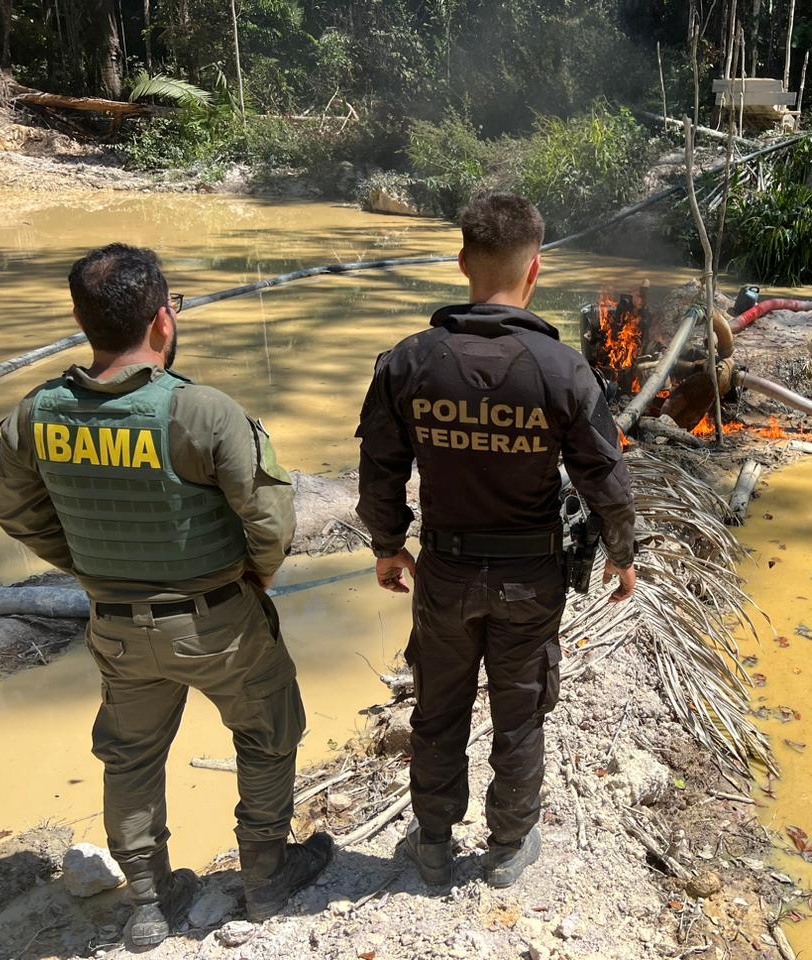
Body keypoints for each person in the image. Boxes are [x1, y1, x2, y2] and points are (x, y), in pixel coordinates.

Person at [0, 244, 333, 949]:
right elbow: (271, 520)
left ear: (83, 321)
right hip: (219, 621)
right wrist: (256, 575)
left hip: (115, 627)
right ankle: (266, 875)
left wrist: (92, 570)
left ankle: (147, 904)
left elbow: (19, 516)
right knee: (269, 733)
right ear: (164, 321)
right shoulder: (201, 412)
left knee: (131, 757)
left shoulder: (35, 415)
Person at [355, 193, 637, 889]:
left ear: (461, 264)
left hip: (444, 574)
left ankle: (431, 842)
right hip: (529, 580)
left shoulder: (409, 362)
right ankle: (509, 847)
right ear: (535, 271)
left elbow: (379, 468)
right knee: (520, 710)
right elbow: (605, 477)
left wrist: (389, 545)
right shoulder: (561, 370)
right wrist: (623, 554)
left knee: (438, 707)